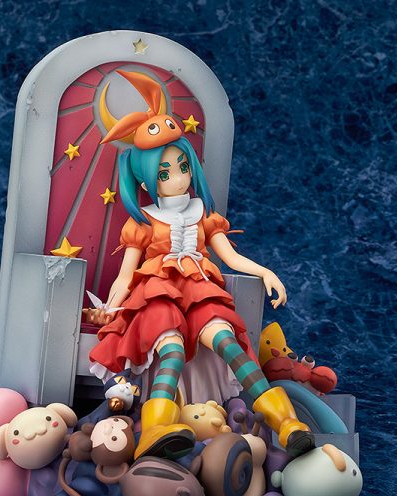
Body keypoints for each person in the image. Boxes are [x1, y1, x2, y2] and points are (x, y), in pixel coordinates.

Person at [86, 70, 314, 460]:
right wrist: (110, 307)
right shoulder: (143, 223)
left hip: (201, 292)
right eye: (164, 173)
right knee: (172, 352)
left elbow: (230, 257)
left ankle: (287, 423)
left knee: (229, 344)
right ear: (146, 183)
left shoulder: (203, 215)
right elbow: (125, 276)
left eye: (182, 166)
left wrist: (265, 272)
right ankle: (154, 430)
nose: (178, 177)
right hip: (158, 297)